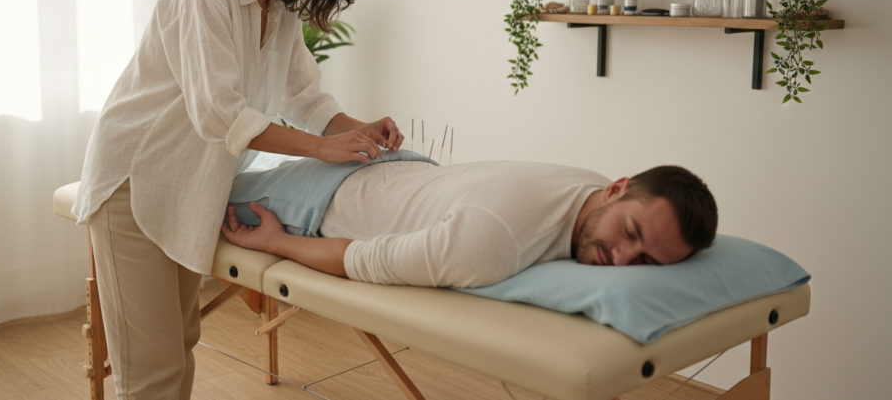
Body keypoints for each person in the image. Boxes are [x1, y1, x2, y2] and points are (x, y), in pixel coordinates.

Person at [70, 0, 402, 400]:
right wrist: (320, 149)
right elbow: (217, 113)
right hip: (133, 182)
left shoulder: (282, 11)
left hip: (186, 187)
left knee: (179, 345)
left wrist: (359, 130)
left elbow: (304, 98)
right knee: (150, 372)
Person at [222, 160, 718, 288]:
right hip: (312, 203)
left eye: (649, 261)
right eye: (631, 234)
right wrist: (278, 242)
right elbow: (363, 259)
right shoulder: (492, 241)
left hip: (401, 172)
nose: (625, 260)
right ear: (618, 187)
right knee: (200, 189)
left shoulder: (592, 186)